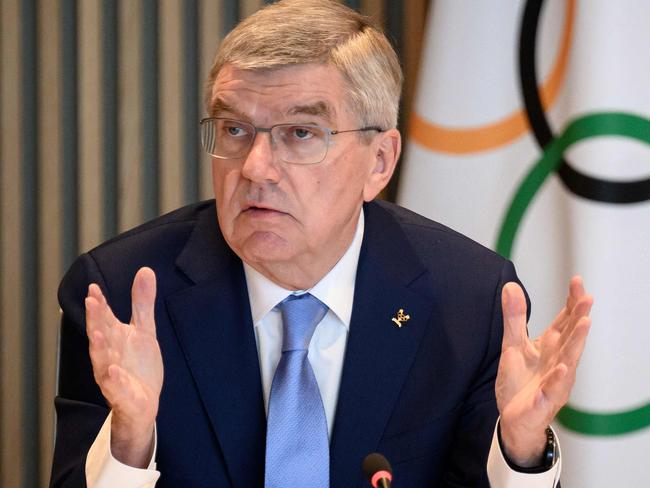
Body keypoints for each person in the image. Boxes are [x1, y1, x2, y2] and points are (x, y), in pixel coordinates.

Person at [49, 1, 593, 487]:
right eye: (235, 130)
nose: (256, 168)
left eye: (300, 134)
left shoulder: (470, 302)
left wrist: (520, 452)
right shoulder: (121, 294)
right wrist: (129, 444)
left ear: (379, 161)